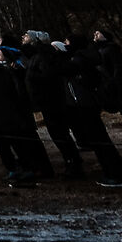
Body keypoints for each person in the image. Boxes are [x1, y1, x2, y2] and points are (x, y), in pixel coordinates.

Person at [59, 33, 122, 186]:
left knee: (100, 141)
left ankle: (116, 175)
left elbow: (62, 69)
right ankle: (113, 173)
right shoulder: (86, 57)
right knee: (99, 140)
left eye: (66, 42)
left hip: (85, 103)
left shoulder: (79, 60)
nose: (65, 45)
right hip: (87, 103)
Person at [0, 40, 43, 187]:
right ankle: (27, 167)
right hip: (7, 107)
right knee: (15, 140)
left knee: (1, 143)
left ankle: (12, 169)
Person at [20, 33, 81, 177]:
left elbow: (49, 75)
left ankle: (73, 163)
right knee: (58, 134)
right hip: (47, 100)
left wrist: (34, 79)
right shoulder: (38, 55)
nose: (23, 37)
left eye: (27, 36)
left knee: (59, 134)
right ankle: (72, 162)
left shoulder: (44, 55)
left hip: (51, 100)